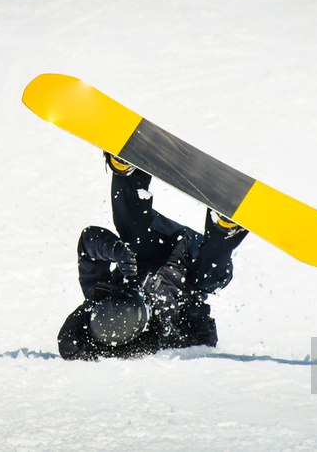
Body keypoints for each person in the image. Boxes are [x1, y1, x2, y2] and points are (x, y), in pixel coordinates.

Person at [57, 153, 248, 361]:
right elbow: (204, 342)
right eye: (141, 301)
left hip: (159, 243)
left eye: (130, 293)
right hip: (195, 264)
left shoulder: (98, 292)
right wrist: (195, 315)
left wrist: (117, 251)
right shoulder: (166, 337)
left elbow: (88, 244)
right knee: (208, 279)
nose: (140, 293)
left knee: (133, 238)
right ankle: (225, 226)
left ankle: (128, 172)